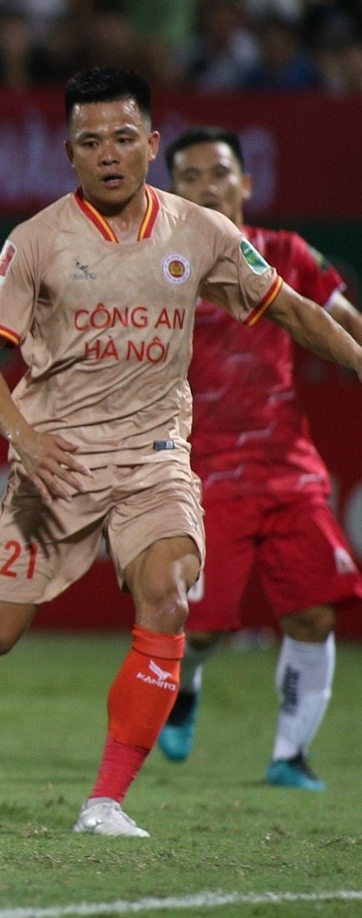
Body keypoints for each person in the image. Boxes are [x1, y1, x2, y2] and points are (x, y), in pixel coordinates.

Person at [0, 66, 362, 838]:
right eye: (89, 142)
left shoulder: (200, 232)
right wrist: (24, 437)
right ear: (68, 153)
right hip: (58, 461)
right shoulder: (37, 240)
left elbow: (294, 311)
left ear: (149, 142)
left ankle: (104, 801)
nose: (107, 154)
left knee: (169, 593)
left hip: (154, 457)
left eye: (121, 137)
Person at [160, 126, 362, 790]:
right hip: (205, 473)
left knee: (313, 612)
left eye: (219, 172)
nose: (206, 187)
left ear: (245, 183)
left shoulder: (285, 254)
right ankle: (185, 687)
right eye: (189, 177)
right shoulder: (161, 266)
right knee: (202, 629)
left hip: (287, 469)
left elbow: (340, 318)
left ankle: (289, 755)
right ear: (173, 192)